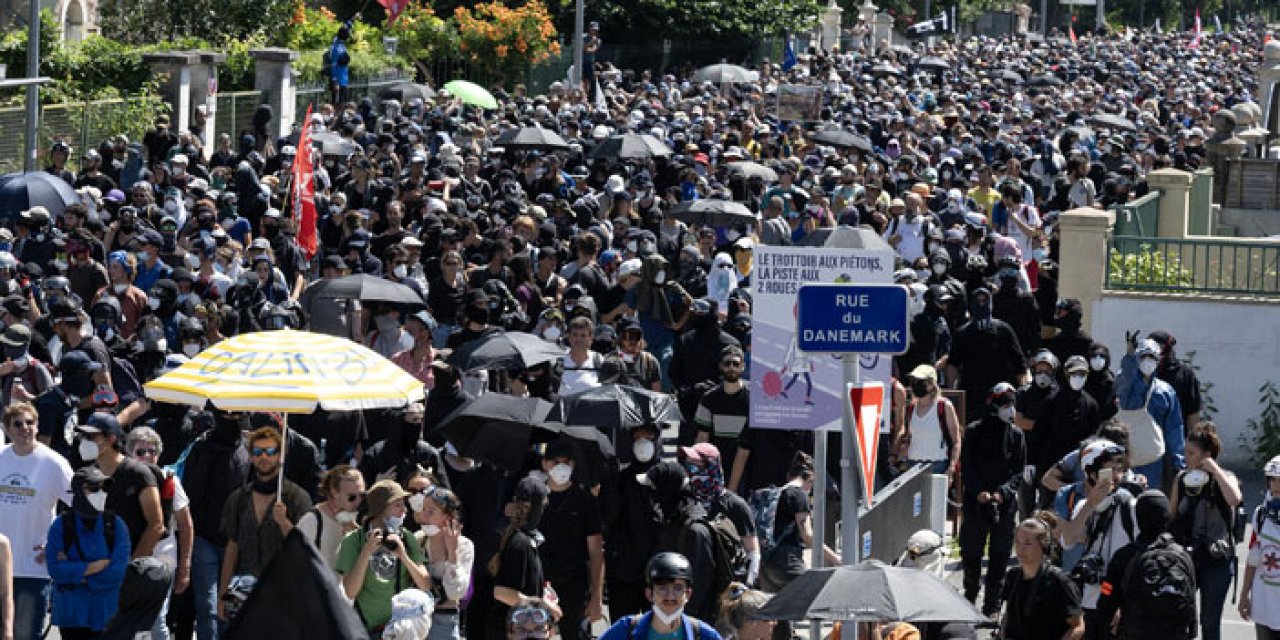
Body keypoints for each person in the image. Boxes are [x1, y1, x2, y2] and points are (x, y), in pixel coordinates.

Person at [217, 426, 312, 621]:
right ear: (251, 456)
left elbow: (305, 546)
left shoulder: (296, 497)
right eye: (258, 452)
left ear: (280, 456)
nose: (264, 457)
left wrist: (284, 522)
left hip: (283, 588)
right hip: (243, 589)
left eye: (270, 451)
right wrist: (222, 594)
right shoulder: (239, 497)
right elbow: (231, 548)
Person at [0, 401, 72, 640]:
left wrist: (61, 543)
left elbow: (82, 509)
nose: (24, 428)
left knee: (24, 634)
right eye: (17, 424)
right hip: (1, 565)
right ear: (7, 430)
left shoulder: (54, 463)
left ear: (37, 425)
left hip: (34, 566)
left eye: (30, 423)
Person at [1060, 435, 1138, 640]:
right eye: (1109, 469)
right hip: (1091, 600)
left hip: (1122, 603)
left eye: (1119, 469)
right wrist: (1089, 505)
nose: (1115, 475)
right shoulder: (1083, 507)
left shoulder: (1131, 506)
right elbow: (1067, 540)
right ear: (1092, 473)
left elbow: (1140, 556)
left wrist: (1124, 603)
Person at [1168, 423, 1241, 640]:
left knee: (1210, 622)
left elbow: (1235, 499)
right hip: (1186, 558)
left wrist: (1215, 470)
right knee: (1181, 618)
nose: (1186, 456)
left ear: (1207, 455)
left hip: (1217, 559)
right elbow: (1171, 516)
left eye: (1191, 453)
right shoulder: (1181, 479)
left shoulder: (1226, 477)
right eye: (1185, 451)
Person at [958, 383, 1025, 617]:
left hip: (1004, 505)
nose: (1010, 410)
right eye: (1005, 404)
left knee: (999, 556)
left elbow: (1018, 471)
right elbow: (965, 466)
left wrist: (1003, 493)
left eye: (1012, 404)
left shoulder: (1016, 435)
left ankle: (992, 606)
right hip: (976, 502)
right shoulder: (974, 431)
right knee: (971, 554)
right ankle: (969, 598)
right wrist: (978, 491)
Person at [1095, 490, 1198, 640]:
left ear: (1138, 517)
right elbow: (1191, 599)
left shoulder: (1124, 556)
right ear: (1167, 516)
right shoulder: (1183, 555)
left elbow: (1106, 597)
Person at [126, 426, 195, 640]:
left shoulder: (170, 480)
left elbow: (185, 524)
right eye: (140, 452)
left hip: (162, 559)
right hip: (126, 557)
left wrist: (185, 566)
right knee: (126, 621)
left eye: (152, 451)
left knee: (157, 621)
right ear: (129, 453)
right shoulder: (121, 477)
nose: (147, 456)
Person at [47, 466, 131, 640]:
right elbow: (55, 569)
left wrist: (78, 574)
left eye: (104, 488)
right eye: (93, 488)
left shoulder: (116, 525)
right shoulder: (61, 525)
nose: (100, 493)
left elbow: (117, 572)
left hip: (105, 612)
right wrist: (95, 566)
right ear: (78, 491)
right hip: (72, 614)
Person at [336, 479, 431, 633]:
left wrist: (403, 556)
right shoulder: (353, 540)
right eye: (397, 505)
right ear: (381, 509)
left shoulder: (407, 538)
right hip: (367, 629)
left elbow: (425, 584)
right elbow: (350, 591)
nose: (404, 510)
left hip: (402, 629)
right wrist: (365, 553)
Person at [537, 437, 605, 637]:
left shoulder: (585, 501)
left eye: (566, 462)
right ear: (544, 464)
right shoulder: (535, 498)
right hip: (539, 583)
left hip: (575, 585)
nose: (561, 467)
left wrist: (597, 598)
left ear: (573, 464)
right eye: (555, 462)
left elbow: (596, 553)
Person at [487, 476, 560, 639]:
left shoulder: (525, 540)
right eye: (543, 505)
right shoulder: (520, 543)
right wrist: (542, 605)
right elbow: (501, 592)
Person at [679, 443, 759, 586]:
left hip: (723, 584)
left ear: (711, 466)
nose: (690, 472)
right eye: (688, 466)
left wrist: (747, 584)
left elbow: (752, 551)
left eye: (696, 466)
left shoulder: (735, 505)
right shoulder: (684, 500)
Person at [760, 452, 840, 593]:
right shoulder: (799, 495)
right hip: (788, 562)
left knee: (779, 611)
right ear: (810, 476)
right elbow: (807, 535)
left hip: (767, 564)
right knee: (814, 596)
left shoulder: (776, 493)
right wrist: (834, 558)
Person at [598, 552, 723, 640]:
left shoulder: (702, 634)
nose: (670, 596)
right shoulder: (626, 629)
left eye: (678, 588)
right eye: (662, 588)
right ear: (649, 594)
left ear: (688, 594)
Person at [946, 288, 1026, 423]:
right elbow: (952, 364)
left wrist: (1023, 394)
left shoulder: (1003, 330)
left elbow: (1019, 363)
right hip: (972, 397)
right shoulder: (962, 333)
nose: (981, 304)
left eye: (984, 300)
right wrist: (951, 394)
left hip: (1001, 395)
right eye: (978, 301)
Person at [1116, 337, 1185, 493]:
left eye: (1152, 357)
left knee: (1150, 498)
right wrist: (1129, 356)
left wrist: (1178, 461)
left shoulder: (1165, 391)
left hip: (1154, 456)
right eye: (1143, 357)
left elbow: (1174, 427)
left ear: (1159, 359)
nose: (1147, 361)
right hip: (1128, 454)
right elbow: (1124, 382)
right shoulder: (1127, 384)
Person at [998, 518, 1084, 640]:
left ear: (1043, 546)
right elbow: (1009, 614)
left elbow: (1078, 626)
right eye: (1017, 542)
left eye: (1028, 543)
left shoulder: (1058, 581)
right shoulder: (1013, 575)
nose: (1020, 549)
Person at [408, 485, 473, 640]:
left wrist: (452, 552)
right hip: (415, 617)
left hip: (444, 620)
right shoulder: (418, 539)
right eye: (423, 509)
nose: (424, 516)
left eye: (431, 511)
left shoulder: (464, 545)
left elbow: (456, 592)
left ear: (447, 517)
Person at [1240, 454, 1280, 638]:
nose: (1276, 485)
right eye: (1272, 479)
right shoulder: (1261, 514)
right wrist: (1244, 596)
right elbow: (1253, 558)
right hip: (1263, 603)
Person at [296, 465, 366, 570]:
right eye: (352, 497)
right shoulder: (311, 522)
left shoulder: (357, 522)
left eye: (362, 495)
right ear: (334, 492)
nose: (358, 502)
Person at [898, 364, 961, 477]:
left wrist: (951, 468)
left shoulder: (944, 406)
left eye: (920, 381)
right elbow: (909, 436)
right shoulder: (911, 408)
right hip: (913, 466)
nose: (915, 384)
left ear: (931, 384)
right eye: (913, 380)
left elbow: (956, 441)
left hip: (938, 465)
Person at [695, 346, 750, 465]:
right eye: (727, 363)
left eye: (736, 363)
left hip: (749, 465)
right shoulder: (709, 398)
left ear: (742, 367)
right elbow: (702, 437)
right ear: (721, 366)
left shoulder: (753, 398)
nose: (731, 367)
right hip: (717, 463)